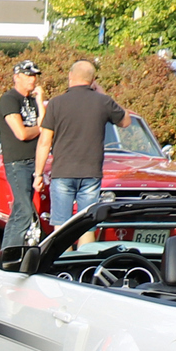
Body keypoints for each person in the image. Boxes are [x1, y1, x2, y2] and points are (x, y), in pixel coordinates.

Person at [38, 59, 123, 229]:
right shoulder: (103, 102)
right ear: (93, 80)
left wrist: (38, 174)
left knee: (61, 227)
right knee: (86, 226)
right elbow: (125, 121)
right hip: (91, 172)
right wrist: (103, 94)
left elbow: (44, 142)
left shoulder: (56, 103)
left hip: (63, 171)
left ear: (70, 76)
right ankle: (86, 247)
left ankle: (64, 248)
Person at [0, 61, 45, 260]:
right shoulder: (9, 99)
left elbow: (46, 125)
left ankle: (7, 253)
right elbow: (21, 133)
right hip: (17, 163)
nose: (33, 79)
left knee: (18, 211)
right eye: (29, 75)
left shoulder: (31, 101)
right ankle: (10, 258)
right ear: (17, 77)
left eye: (35, 75)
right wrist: (40, 129)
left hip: (34, 161)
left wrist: (40, 101)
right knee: (24, 212)